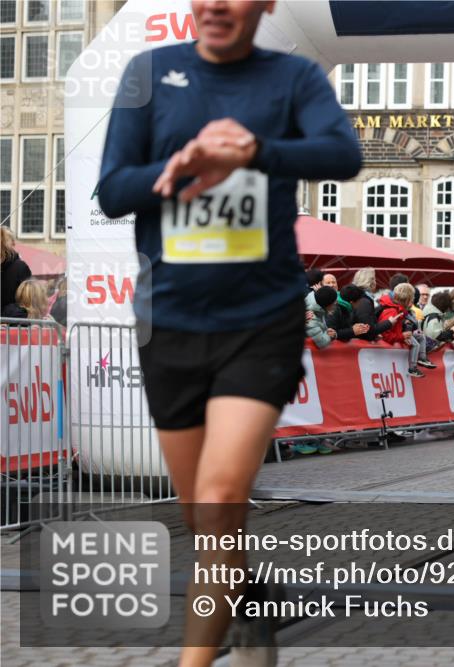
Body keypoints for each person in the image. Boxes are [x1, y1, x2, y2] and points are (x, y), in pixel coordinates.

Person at [96, 2, 363, 664]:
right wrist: (177, 167)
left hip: (261, 320)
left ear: (268, 3)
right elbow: (110, 188)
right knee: (201, 517)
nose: (216, 2)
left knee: (219, 501)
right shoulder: (147, 73)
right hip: (171, 323)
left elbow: (344, 153)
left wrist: (257, 151)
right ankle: (248, 601)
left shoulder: (293, 80)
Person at [378, 282, 434, 378]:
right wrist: (401, 336)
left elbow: (399, 327)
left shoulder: (400, 309)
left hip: (399, 336)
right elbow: (386, 335)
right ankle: (412, 368)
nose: (413, 301)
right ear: (407, 299)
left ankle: (422, 358)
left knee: (420, 336)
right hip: (394, 340)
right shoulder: (391, 310)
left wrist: (409, 329)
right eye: (412, 298)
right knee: (415, 344)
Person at [1, 227, 33, 317]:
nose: (14, 243)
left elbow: (28, 299)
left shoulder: (20, 267)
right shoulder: (21, 267)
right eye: (11, 240)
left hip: (13, 322)